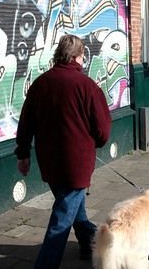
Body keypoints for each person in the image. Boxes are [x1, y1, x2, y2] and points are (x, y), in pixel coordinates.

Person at [15, 34, 112, 268]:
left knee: (72, 207)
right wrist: (96, 142)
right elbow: (102, 130)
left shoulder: (41, 83)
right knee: (61, 220)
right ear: (79, 57)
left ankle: (89, 244)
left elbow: (26, 121)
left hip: (49, 160)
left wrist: (23, 153)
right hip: (77, 163)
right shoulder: (87, 86)